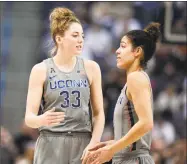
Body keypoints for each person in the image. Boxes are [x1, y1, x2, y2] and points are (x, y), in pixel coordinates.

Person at [24, 7, 105, 164]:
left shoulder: (92, 68)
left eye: (82, 35)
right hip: (51, 141)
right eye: (75, 35)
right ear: (59, 39)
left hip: (83, 141)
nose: (80, 39)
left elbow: (98, 114)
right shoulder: (40, 70)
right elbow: (29, 119)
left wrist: (95, 141)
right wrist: (41, 119)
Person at [82, 22, 161, 164]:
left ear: (137, 51)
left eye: (123, 46)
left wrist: (112, 150)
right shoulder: (133, 79)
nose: (117, 51)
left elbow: (146, 123)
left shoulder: (136, 78)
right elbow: (135, 136)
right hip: (128, 157)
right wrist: (111, 144)